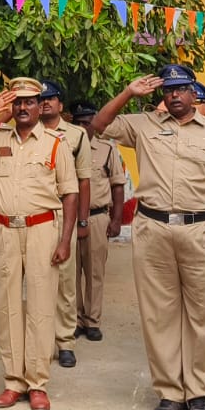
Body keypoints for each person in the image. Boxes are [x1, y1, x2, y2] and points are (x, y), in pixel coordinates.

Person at [91, 66, 205, 410]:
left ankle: (200, 392)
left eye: (181, 89)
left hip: (202, 228)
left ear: (193, 93)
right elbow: (99, 125)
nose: (174, 95)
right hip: (154, 227)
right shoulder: (144, 125)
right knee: (159, 313)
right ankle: (170, 393)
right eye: (169, 90)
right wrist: (129, 92)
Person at [0, 78, 78, 410]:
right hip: (5, 230)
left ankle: (37, 383)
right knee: (7, 306)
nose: (23, 107)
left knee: (40, 306)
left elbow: (70, 193)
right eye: (17, 102)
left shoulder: (55, 143)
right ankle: (13, 381)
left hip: (42, 230)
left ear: (40, 106)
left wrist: (65, 239)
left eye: (29, 102)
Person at [38, 80, 92, 370]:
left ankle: (65, 341)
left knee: (65, 281)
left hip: (63, 212)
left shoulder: (76, 135)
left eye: (51, 98)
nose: (45, 103)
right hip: (33, 211)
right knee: (36, 279)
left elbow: (83, 181)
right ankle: (41, 340)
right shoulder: (26, 131)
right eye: (40, 98)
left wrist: (82, 220)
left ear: (60, 104)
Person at [70, 101, 126, 343]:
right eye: (79, 123)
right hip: (68, 220)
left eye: (88, 122)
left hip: (97, 218)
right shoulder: (63, 147)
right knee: (70, 273)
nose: (84, 127)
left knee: (94, 272)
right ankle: (74, 320)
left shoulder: (107, 150)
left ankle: (92, 321)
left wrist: (116, 220)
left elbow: (118, 186)